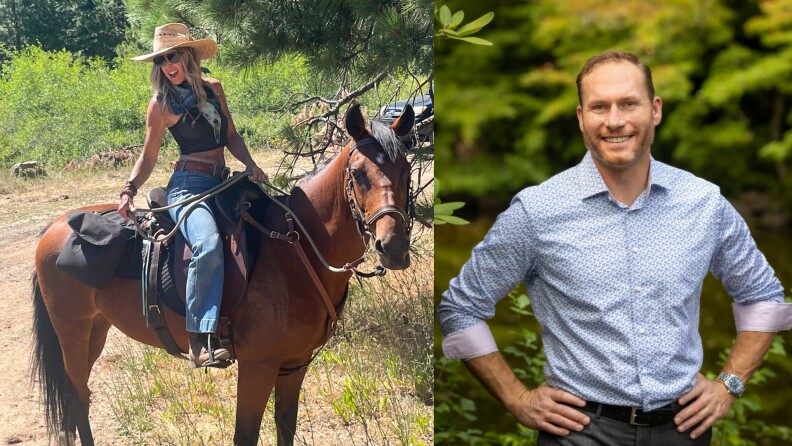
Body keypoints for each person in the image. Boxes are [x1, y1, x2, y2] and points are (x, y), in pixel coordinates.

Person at [437, 50, 792, 446]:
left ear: (655, 110)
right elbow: (460, 307)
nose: (615, 120)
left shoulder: (704, 203)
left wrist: (730, 385)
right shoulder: (538, 210)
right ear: (581, 118)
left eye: (629, 104)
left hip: (684, 431)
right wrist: (517, 399)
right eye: (599, 107)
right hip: (579, 432)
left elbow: (763, 297)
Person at [118, 23, 267, 368]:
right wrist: (129, 188)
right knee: (208, 244)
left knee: (272, 223)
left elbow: (230, 134)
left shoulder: (214, 88)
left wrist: (251, 164)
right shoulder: (160, 104)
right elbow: (149, 156)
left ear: (187, 56)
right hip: (188, 186)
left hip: (224, 181)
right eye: (161, 60)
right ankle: (200, 338)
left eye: (172, 56)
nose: (167, 65)